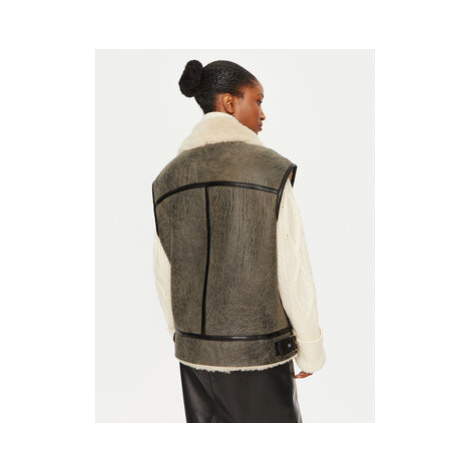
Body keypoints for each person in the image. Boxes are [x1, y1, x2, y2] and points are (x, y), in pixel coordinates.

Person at [152, 59, 326, 423]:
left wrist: (182, 337)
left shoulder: (168, 178)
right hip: (258, 357)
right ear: (230, 103)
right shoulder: (268, 169)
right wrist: (310, 346)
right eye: (257, 100)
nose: (263, 113)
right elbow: (291, 265)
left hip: (194, 360)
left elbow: (164, 270)